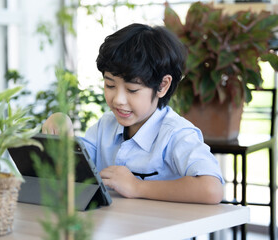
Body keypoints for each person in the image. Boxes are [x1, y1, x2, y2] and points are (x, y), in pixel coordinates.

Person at [42, 23, 224, 204]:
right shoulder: (105, 126)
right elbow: (71, 172)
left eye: (132, 89)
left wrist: (137, 186)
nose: (118, 99)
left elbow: (211, 189)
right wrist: (61, 129)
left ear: (162, 86)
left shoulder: (176, 134)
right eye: (110, 85)